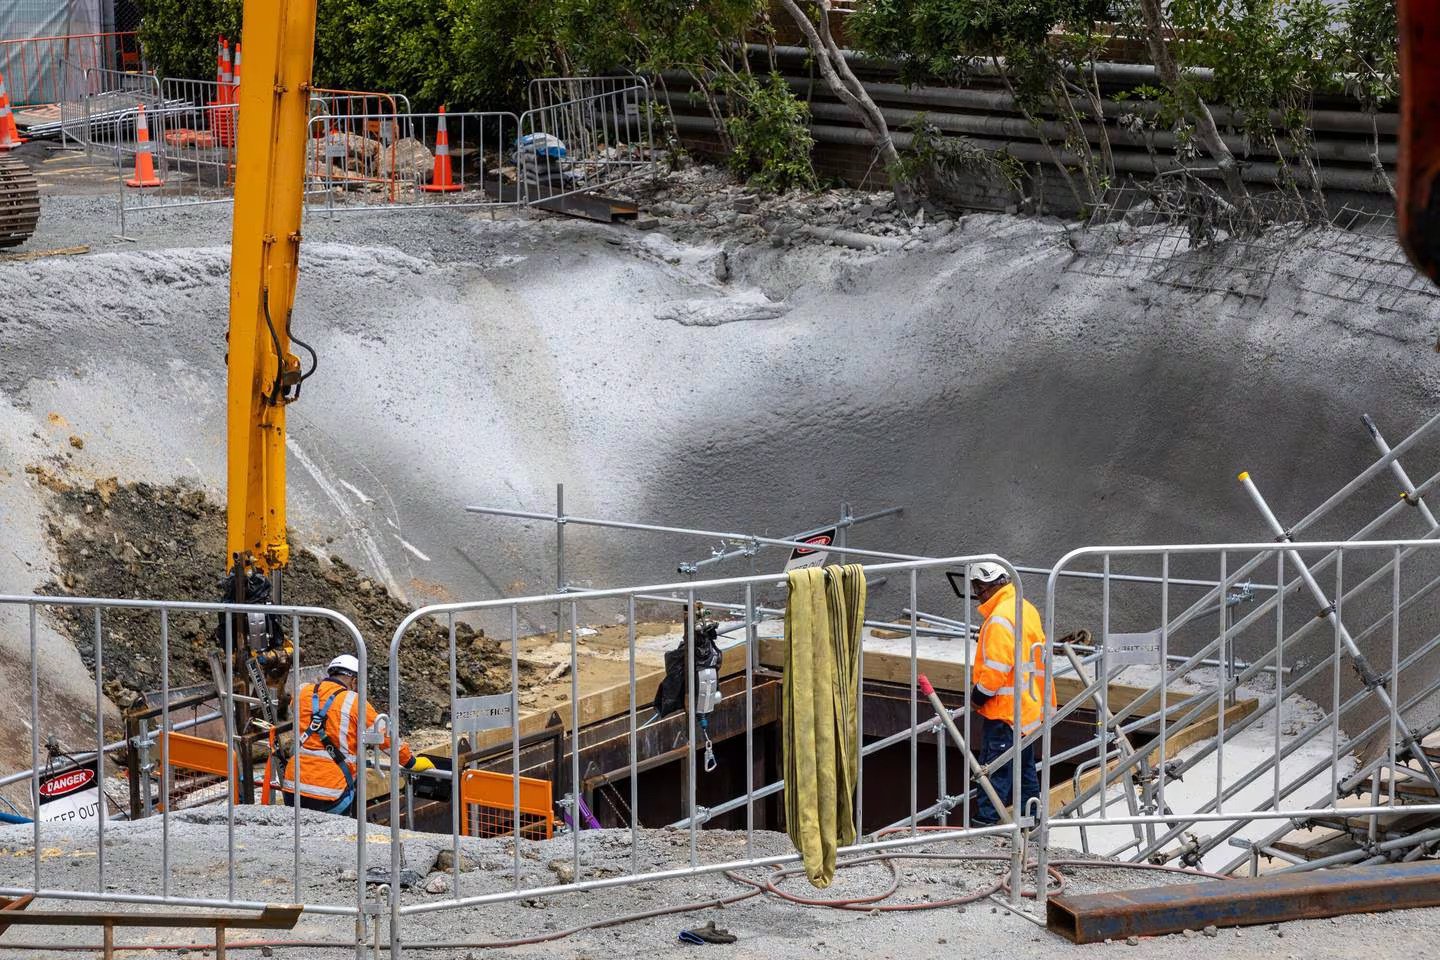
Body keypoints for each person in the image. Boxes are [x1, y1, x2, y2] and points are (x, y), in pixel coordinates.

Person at [280, 653, 433, 815]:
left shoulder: (302, 692)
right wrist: (410, 761)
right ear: (353, 681)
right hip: (330, 793)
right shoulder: (355, 702)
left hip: (293, 789)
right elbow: (385, 737)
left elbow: (295, 706)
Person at [963, 562, 1052, 825]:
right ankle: (1031, 822)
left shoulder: (999, 619)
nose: (977, 594)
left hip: (1004, 712)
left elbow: (996, 670)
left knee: (995, 772)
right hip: (1026, 709)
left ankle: (985, 827)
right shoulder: (1025, 607)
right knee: (1024, 770)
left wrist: (977, 697)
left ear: (985, 586)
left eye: (978, 588)